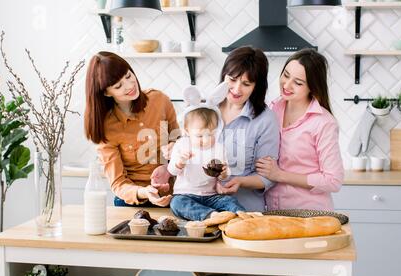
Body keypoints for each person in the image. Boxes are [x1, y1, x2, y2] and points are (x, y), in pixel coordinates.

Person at [152, 46, 280, 212]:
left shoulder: (265, 120)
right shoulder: (203, 109)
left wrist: (239, 181)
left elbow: (267, 177)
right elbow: (187, 149)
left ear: (257, 86)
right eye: (232, 80)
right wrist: (170, 163)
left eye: (246, 84)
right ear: (223, 76)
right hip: (197, 205)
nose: (236, 89)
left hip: (243, 209)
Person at [84, 51, 179, 207]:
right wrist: (145, 191)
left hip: (173, 197)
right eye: (118, 86)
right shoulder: (107, 128)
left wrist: (175, 148)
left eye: (128, 76)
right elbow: (118, 183)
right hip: (132, 202)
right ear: (106, 92)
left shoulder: (160, 101)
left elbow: (180, 140)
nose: (129, 86)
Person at [255, 48, 344, 211]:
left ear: (312, 86)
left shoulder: (323, 123)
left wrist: (279, 175)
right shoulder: (272, 110)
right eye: (286, 75)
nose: (287, 85)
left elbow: (333, 180)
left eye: (298, 82)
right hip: (273, 213)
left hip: (310, 215)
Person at [168, 83, 246, 221]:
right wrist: (180, 162)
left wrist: (224, 173)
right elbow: (172, 171)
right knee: (176, 204)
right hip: (186, 194)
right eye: (199, 136)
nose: (205, 140)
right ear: (186, 131)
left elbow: (224, 175)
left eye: (210, 135)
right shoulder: (182, 144)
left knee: (229, 201)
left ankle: (241, 215)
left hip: (211, 196)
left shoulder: (219, 147)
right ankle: (211, 215)